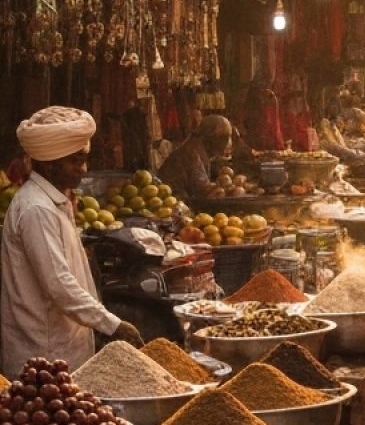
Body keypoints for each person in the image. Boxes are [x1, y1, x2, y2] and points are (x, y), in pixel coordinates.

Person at [1, 106, 142, 377]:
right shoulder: (36, 209)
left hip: (62, 351)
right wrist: (111, 325)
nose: (83, 169)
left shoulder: (55, 202)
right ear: (51, 164)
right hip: (43, 357)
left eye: (84, 160)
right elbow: (58, 283)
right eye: (76, 161)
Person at [159, 114, 232, 199]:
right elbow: (202, 189)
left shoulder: (197, 148)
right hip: (173, 200)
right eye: (224, 138)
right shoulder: (192, 152)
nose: (227, 143)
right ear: (212, 137)